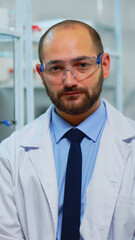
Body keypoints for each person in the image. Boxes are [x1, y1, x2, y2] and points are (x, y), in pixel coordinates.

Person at [0, 20, 135, 240]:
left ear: (105, 65)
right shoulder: (10, 154)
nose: (70, 81)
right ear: (41, 74)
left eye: (82, 65)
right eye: (56, 68)